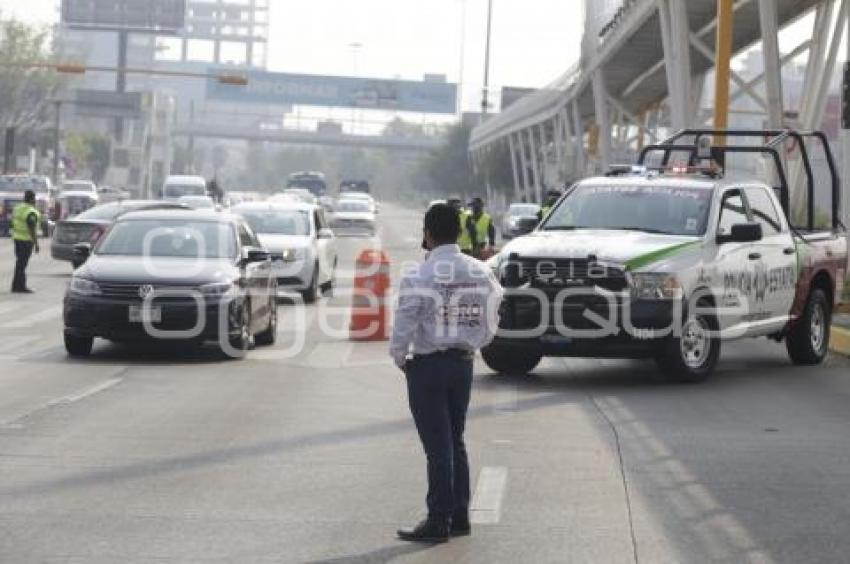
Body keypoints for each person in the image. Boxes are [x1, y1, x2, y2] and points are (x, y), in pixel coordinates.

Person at [391, 203, 503, 543]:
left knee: (437, 447)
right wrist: (477, 342)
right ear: (458, 231)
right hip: (463, 364)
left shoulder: (419, 275)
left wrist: (401, 359)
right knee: (455, 439)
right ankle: (459, 516)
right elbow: (494, 310)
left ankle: (437, 520)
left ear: (427, 234)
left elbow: (404, 324)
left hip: (427, 366)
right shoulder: (480, 271)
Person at [10, 189, 40, 294]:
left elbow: (13, 221)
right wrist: (36, 243)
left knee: (19, 263)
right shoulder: (30, 212)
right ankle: (20, 286)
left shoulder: (18, 208)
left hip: (17, 239)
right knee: (22, 264)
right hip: (26, 241)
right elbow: (32, 228)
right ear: (32, 199)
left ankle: (15, 285)